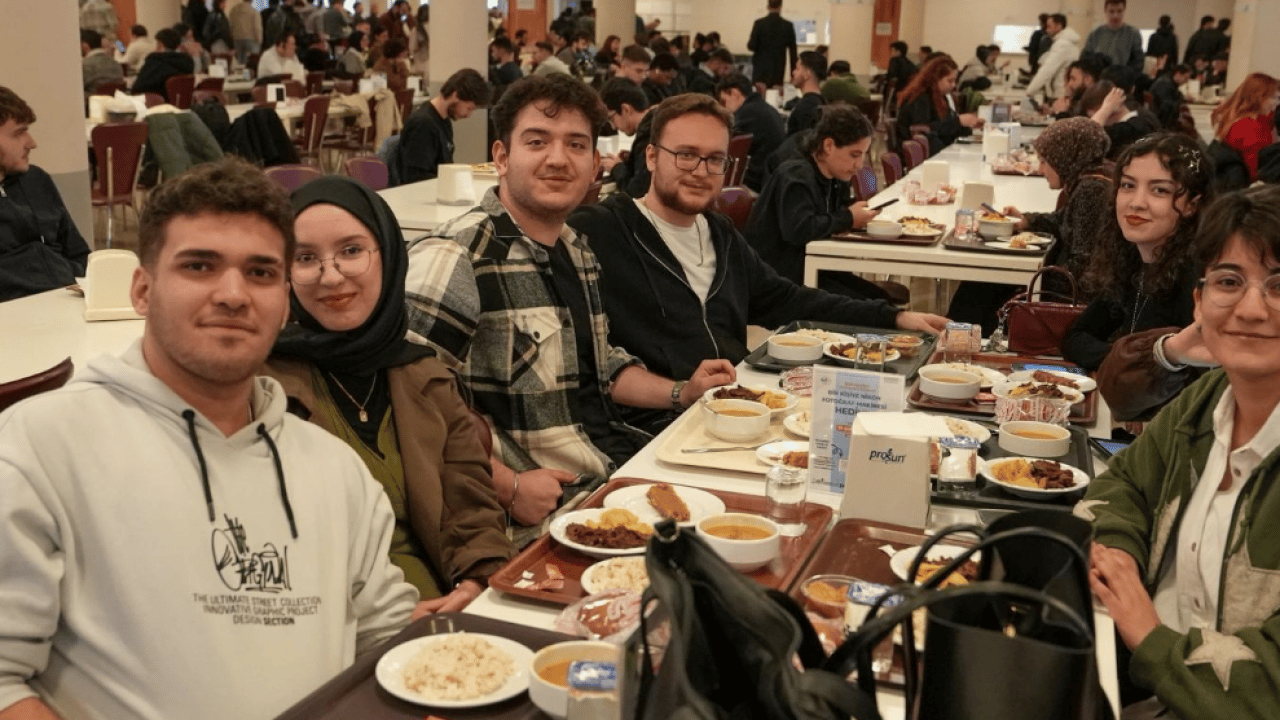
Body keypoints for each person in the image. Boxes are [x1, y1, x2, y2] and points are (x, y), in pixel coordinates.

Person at [0, 156, 416, 720]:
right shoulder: (41, 447)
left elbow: (386, 650)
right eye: (199, 266)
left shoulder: (335, 470)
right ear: (142, 290)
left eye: (262, 272)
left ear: (285, 301)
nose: (233, 294)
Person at [403, 75, 735, 543]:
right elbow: (400, 400)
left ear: (595, 164)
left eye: (576, 145)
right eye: (537, 141)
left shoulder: (576, 249)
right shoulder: (457, 255)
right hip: (540, 520)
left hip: (610, 473)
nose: (558, 159)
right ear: (501, 157)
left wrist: (682, 391)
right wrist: (508, 485)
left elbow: (598, 364)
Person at [568, 94, 947, 433]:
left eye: (714, 159)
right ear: (651, 156)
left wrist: (893, 319)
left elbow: (787, 298)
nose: (701, 170)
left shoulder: (720, 232)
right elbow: (584, 365)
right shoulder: (599, 232)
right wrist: (679, 393)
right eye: (685, 154)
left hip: (741, 408)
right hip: (655, 427)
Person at [263, 176, 514, 607]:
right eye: (305, 257)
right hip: (329, 620)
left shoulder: (424, 374)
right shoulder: (260, 389)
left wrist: (474, 583)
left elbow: (471, 507)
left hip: (444, 610)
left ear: (390, 256)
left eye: (351, 251)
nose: (331, 275)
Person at [1081, 184, 1280, 719]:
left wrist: (1146, 634)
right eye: (1228, 282)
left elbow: (1269, 687)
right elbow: (1120, 483)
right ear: (1199, 302)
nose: (1253, 308)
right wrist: (1118, 555)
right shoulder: (1210, 401)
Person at [1062, 133, 1214, 371]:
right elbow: (1075, 338)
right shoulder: (1131, 260)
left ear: (1191, 205)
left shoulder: (1198, 280)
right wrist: (1133, 358)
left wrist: (1130, 360)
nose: (1136, 202)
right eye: (1128, 185)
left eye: (1160, 190)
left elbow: (1195, 378)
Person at [948, 118, 1116, 332]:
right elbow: (1064, 220)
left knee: (981, 281)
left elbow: (1082, 265)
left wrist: (1029, 272)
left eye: (1045, 161)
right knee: (984, 279)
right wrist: (1026, 221)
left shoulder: (1092, 190)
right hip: (1076, 286)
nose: (1039, 168)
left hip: (1075, 299)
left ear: (1064, 159)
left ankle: (961, 336)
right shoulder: (1094, 177)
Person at [0, 87, 91, 303]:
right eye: (18, 133)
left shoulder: (36, 180)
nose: (32, 143)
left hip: (68, 302)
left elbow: (79, 254)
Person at [389, 68, 490, 186]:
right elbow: (415, 178)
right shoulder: (423, 124)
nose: (468, 115)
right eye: (469, 108)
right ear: (455, 95)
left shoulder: (444, 120)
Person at [895, 55, 982, 155]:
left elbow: (944, 128)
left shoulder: (940, 97)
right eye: (950, 81)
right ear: (935, 79)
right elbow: (922, 130)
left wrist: (967, 124)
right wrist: (958, 122)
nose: (954, 85)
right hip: (915, 155)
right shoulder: (919, 99)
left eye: (955, 81)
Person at [714, 72, 784, 192]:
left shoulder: (747, 114)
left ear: (734, 93)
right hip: (771, 178)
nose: (724, 109)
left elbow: (727, 147)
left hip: (756, 183)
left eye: (724, 102)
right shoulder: (765, 109)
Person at [1210, 73, 1280, 183]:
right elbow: (1258, 174)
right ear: (1259, 97)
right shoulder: (1249, 128)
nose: (1277, 103)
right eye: (1273, 98)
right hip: (1253, 188)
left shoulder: (1242, 118)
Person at [598, 78, 654, 197]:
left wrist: (616, 168)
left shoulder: (648, 136)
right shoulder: (655, 124)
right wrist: (632, 160)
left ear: (625, 109)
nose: (613, 127)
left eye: (612, 118)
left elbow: (637, 193)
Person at [1026, 13, 1081, 107]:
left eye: (1049, 26)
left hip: (1061, 93)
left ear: (1059, 26)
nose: (1046, 30)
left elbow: (1047, 70)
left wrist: (1029, 92)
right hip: (1064, 92)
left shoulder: (1063, 44)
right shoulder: (1065, 42)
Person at [131, 28, 196, 100]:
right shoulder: (188, 62)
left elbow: (124, 60)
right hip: (180, 104)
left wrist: (118, 48)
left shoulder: (153, 59)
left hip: (155, 104)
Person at [747, 0, 797, 90]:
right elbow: (793, 53)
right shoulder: (788, 25)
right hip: (778, 72)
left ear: (768, 7)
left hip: (760, 72)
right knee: (775, 99)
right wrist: (793, 74)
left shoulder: (759, 24)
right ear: (780, 7)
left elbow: (751, 46)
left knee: (759, 99)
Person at [1083, 0, 1143, 72]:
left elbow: (1138, 63)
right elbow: (1085, 61)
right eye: (1111, 11)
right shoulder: (1095, 34)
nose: (1115, 16)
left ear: (1124, 11)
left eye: (1119, 11)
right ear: (1105, 11)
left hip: (1124, 78)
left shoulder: (1133, 34)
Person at [786, 50, 826, 136]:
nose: (793, 72)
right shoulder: (821, 101)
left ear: (806, 74)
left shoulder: (805, 107)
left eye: (797, 69)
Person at [81, 29, 124, 93]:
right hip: (116, 99)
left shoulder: (118, 42)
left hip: (94, 100)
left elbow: (123, 51)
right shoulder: (116, 63)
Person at [1150, 64, 1191, 129]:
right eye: (1185, 78)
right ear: (1178, 74)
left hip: (1161, 116)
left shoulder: (1168, 81)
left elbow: (1176, 95)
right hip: (1159, 120)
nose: (1186, 81)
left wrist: (1183, 98)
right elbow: (1166, 106)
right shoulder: (1164, 83)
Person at [228, 1, 262, 66]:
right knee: (250, 63)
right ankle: (247, 75)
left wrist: (232, 37)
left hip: (237, 39)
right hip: (251, 40)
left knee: (240, 62)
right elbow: (257, 28)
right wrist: (259, 40)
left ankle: (240, 75)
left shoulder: (234, 10)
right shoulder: (254, 11)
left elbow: (230, 26)